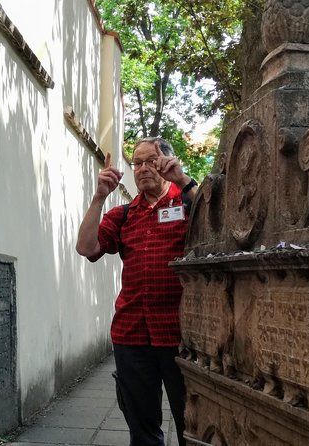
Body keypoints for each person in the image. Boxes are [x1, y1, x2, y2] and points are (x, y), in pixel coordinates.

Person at [76, 137, 199, 446]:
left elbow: (216, 219)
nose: (143, 168)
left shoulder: (186, 202)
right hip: (131, 334)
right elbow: (86, 247)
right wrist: (99, 197)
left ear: (167, 162)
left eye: (151, 160)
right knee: (142, 429)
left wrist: (183, 180)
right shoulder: (124, 214)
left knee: (193, 424)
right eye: (137, 162)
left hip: (181, 335)